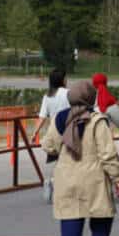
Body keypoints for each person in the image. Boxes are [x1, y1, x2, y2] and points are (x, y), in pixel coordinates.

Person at [41, 81, 119, 236]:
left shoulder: (59, 118)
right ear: (91, 98)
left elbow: (48, 146)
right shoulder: (97, 120)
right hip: (95, 181)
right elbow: (107, 154)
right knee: (101, 222)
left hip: (67, 180)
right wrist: (117, 179)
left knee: (70, 225)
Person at [38, 69, 71, 203]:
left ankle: (52, 182)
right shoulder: (68, 93)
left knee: (60, 160)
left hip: (53, 133)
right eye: (66, 78)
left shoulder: (47, 96)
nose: (67, 80)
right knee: (70, 161)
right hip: (67, 131)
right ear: (62, 80)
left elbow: (42, 117)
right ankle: (53, 182)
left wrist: (35, 132)